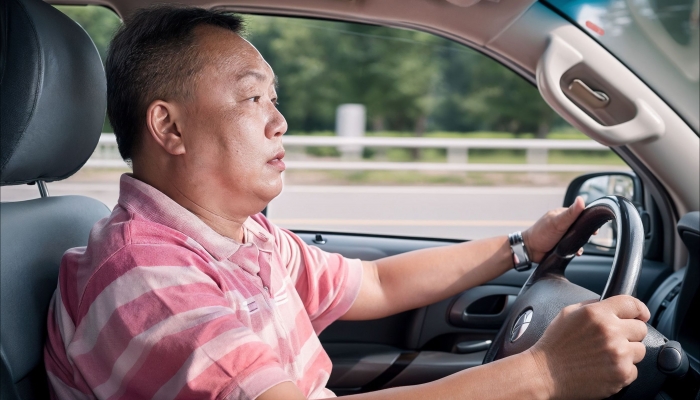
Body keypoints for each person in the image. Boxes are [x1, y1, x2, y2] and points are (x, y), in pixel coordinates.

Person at [44, 6, 650, 400]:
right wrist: (543, 373)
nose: (280, 122)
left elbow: (376, 283)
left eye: (274, 99)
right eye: (252, 99)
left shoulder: (241, 236)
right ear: (169, 129)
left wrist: (523, 247)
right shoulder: (145, 277)